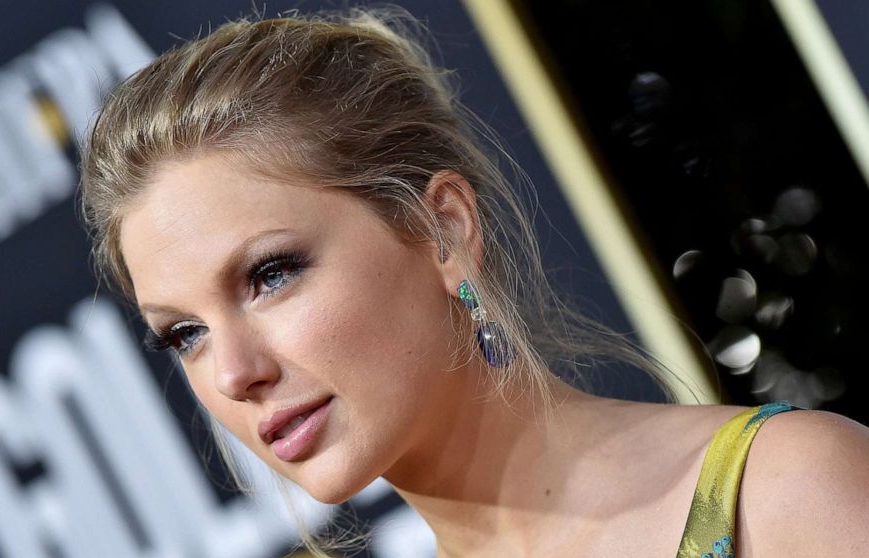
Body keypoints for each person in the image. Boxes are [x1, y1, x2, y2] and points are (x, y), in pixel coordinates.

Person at [79, 8, 869, 557]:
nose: (233, 373)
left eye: (270, 275)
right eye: (184, 334)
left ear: (443, 229)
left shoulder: (783, 493)